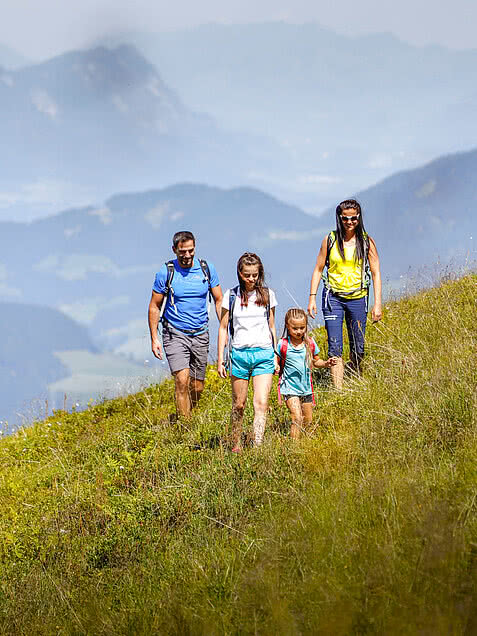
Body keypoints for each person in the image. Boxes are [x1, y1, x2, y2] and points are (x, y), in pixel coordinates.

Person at [308, 199, 382, 389]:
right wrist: (312, 298)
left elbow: (375, 272)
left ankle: (355, 378)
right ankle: (339, 391)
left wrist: (377, 303)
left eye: (354, 218)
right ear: (339, 218)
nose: (350, 222)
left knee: (359, 347)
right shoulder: (330, 240)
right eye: (345, 218)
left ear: (359, 218)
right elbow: (318, 269)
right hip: (333, 298)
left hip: (358, 297)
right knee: (335, 346)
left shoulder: (366, 242)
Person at [148, 231, 223, 418]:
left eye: (190, 251)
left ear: (195, 248)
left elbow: (219, 299)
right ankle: (185, 427)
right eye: (182, 252)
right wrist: (154, 338)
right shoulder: (166, 272)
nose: (187, 255)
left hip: (200, 333)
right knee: (181, 380)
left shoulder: (207, 269)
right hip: (174, 333)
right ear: (174, 250)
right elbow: (154, 306)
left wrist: (225, 326)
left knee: (197, 386)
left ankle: (184, 414)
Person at [217, 253, 278, 451]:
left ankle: (257, 446)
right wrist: (220, 359)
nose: (251, 279)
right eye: (247, 275)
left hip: (264, 353)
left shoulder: (267, 295)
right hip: (240, 355)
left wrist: (276, 355)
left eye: (255, 275)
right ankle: (235, 442)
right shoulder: (231, 296)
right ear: (240, 274)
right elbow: (223, 328)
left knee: (261, 403)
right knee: (239, 405)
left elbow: (271, 325)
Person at [277, 308, 337, 439]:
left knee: (308, 421)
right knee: (296, 417)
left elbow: (316, 362)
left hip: (306, 388)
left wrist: (326, 363)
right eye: (295, 328)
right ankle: (293, 448)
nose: (299, 331)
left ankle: (305, 444)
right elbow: (275, 363)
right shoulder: (283, 344)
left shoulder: (309, 343)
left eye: (302, 328)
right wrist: (275, 367)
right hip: (289, 388)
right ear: (288, 326)